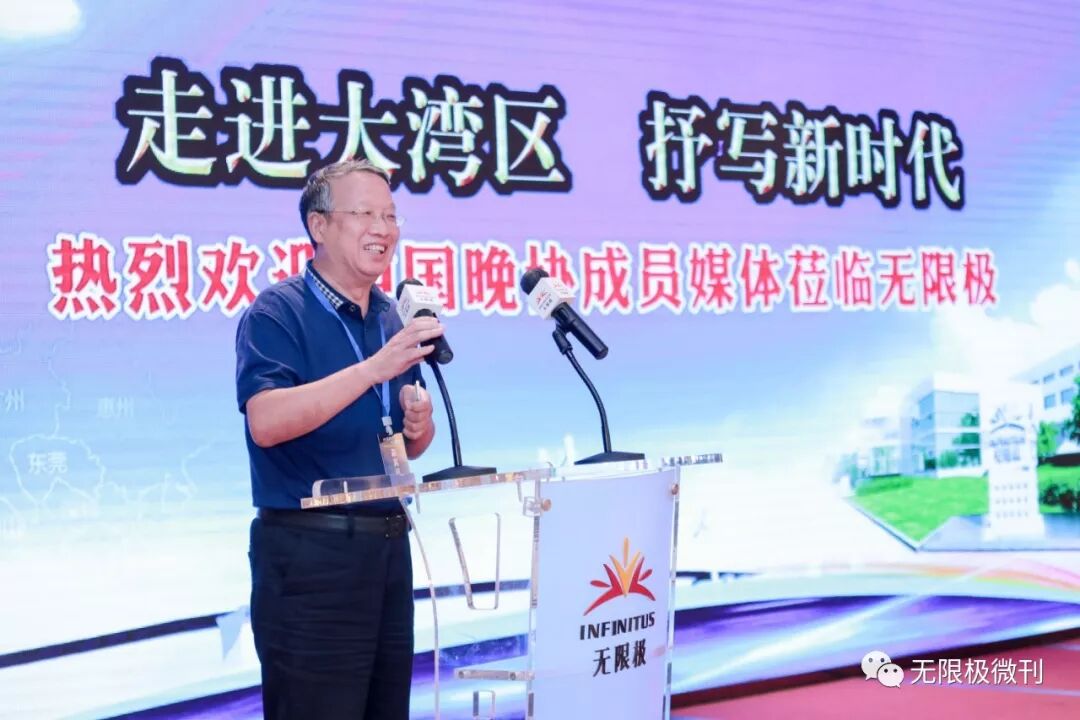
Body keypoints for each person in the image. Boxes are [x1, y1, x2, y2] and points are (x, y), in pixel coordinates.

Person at [235, 159, 444, 719]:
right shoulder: (277, 312)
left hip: (388, 549)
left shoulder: (392, 317)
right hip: (312, 560)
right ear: (319, 225)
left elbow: (400, 446)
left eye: (391, 216)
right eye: (365, 214)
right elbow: (266, 422)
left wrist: (417, 429)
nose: (383, 229)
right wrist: (373, 369)